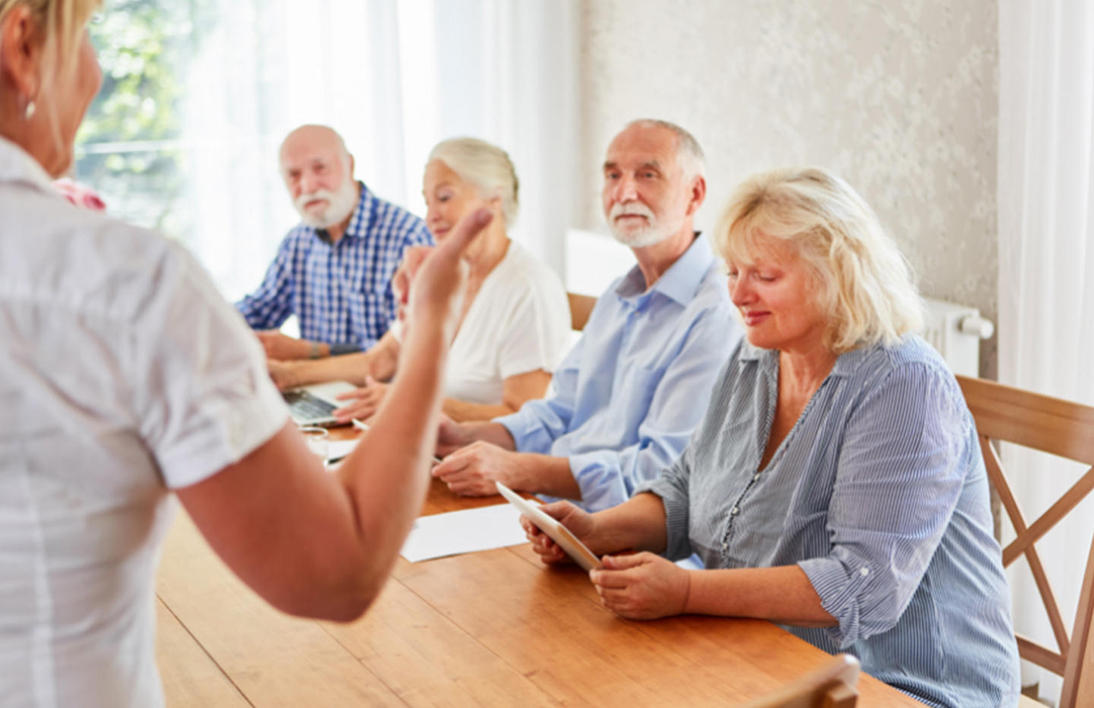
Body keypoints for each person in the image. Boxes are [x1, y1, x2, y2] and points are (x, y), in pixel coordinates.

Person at [0, 2, 489, 704]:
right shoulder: (125, 280)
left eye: (319, 168)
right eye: (88, 37)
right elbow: (337, 570)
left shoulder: (398, 233)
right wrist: (431, 329)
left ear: (349, 165)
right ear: (23, 46)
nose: (99, 74)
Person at [524, 167, 1021, 707]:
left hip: (901, 686)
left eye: (763, 275)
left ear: (835, 273)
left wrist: (687, 591)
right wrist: (599, 531)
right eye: (733, 271)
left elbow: (862, 587)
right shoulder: (756, 354)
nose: (737, 294)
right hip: (760, 652)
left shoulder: (903, 385)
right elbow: (688, 488)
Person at [432, 119, 740, 511]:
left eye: (648, 174)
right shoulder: (617, 294)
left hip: (622, 537)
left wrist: (517, 469)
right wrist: (468, 435)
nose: (624, 191)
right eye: (613, 175)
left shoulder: (717, 314)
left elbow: (661, 471)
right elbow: (560, 413)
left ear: (694, 194)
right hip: (546, 510)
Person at [268, 137, 571, 423]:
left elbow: (523, 417)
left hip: (487, 468)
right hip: (434, 448)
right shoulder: (445, 275)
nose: (430, 217)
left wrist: (409, 401)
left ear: (494, 198)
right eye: (427, 202)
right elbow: (383, 359)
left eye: (444, 197)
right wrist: (288, 374)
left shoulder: (528, 287)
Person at [235, 124, 433, 358]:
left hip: (382, 391)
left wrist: (311, 351)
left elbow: (408, 347)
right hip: (314, 387)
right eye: (293, 175)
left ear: (350, 165)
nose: (307, 186)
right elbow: (259, 311)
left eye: (320, 168)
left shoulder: (407, 238)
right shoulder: (297, 243)